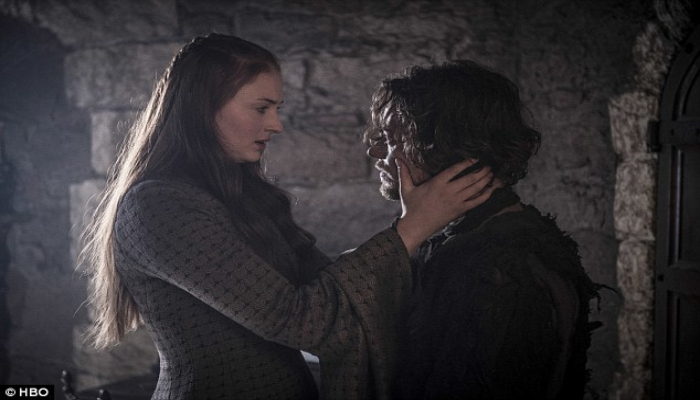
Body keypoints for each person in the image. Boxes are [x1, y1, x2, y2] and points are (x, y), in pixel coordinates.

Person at [81, 34, 496, 400]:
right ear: (203, 108)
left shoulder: (243, 195)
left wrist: (425, 238)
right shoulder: (159, 206)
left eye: (276, 108)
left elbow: (330, 287)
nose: (276, 124)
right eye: (261, 108)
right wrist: (412, 227)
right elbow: (301, 320)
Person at [364, 60, 601, 399]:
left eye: (390, 139)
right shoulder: (477, 239)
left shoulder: (499, 267)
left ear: (446, 145)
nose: (375, 151)